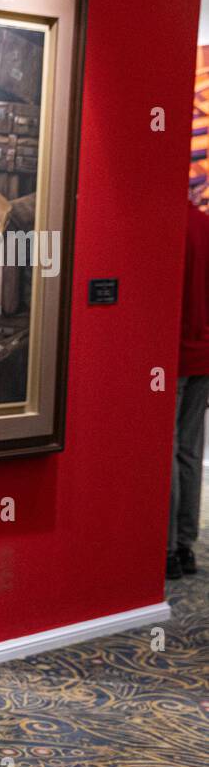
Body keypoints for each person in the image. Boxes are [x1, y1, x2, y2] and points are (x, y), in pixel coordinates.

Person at [167, 199, 209, 579]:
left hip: (172, 356)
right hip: (204, 355)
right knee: (190, 452)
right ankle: (186, 545)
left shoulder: (167, 227)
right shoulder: (204, 225)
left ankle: (165, 550)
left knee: (167, 449)